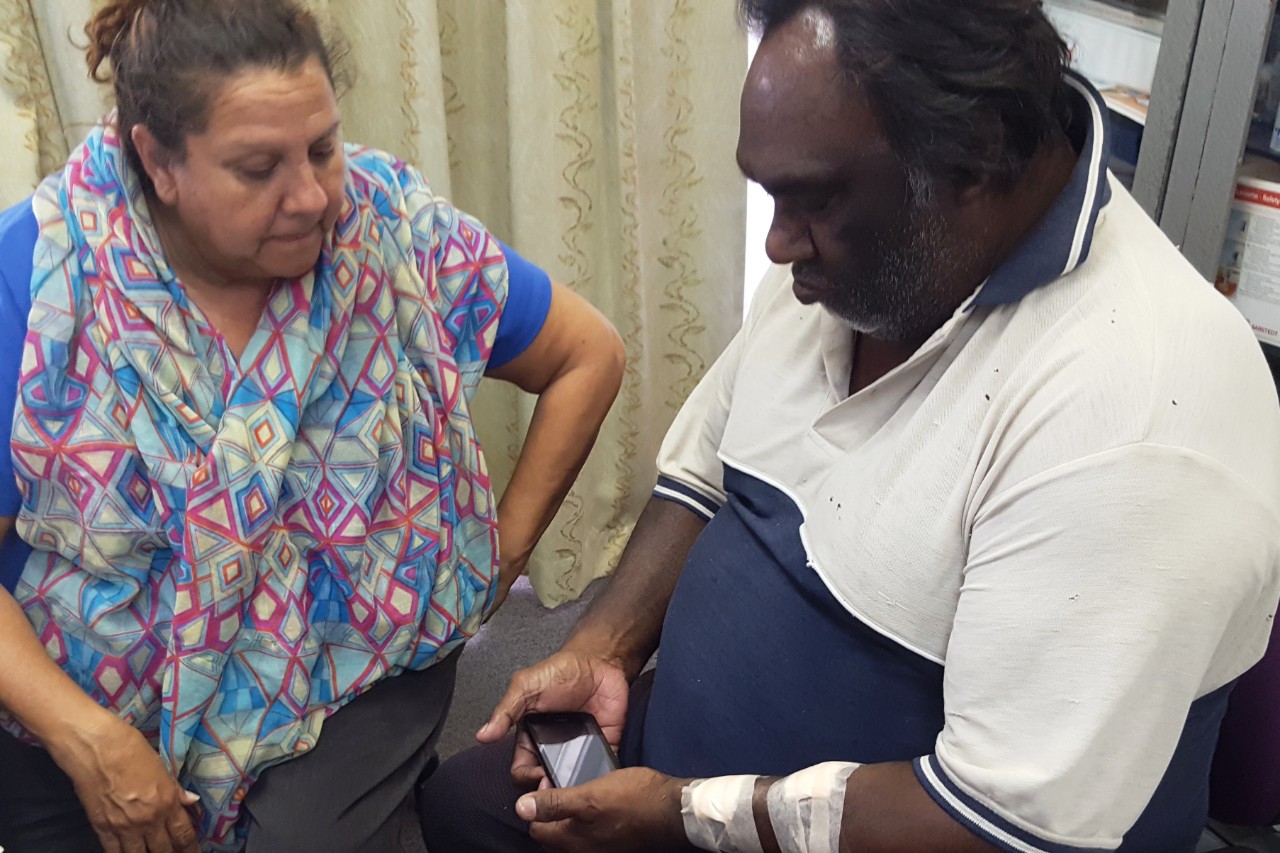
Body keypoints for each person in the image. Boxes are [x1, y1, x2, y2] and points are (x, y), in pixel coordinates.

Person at [420, 1, 1280, 851]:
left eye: (812, 201)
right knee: (466, 801)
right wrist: (604, 647)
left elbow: (997, 824)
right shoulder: (870, 266)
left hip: (896, 831)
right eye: (772, 195)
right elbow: (707, 472)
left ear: (972, 161)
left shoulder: (1141, 408)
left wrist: (681, 817)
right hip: (685, 780)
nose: (777, 245)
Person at [0, 0, 625, 851]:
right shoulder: (40, 280)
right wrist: (86, 735)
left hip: (356, 654)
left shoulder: (391, 229)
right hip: (94, 688)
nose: (313, 196)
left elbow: (587, 354)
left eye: (322, 148)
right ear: (157, 159)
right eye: (258, 168)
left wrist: (496, 556)